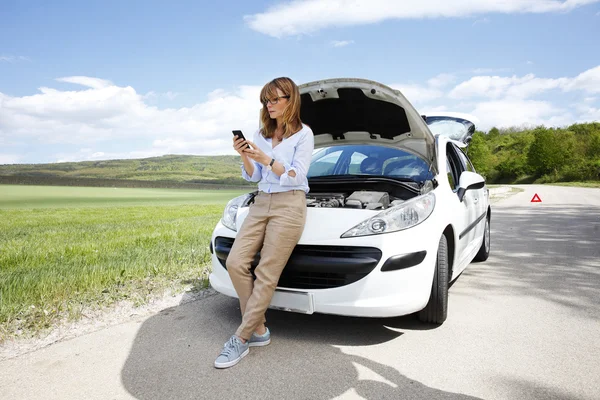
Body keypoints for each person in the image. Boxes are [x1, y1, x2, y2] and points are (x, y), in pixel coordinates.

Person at [214, 77, 314, 369]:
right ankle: (259, 329)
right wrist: (246, 156)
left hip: (290, 203)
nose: (268, 105)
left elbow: (297, 174)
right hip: (262, 201)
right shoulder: (261, 133)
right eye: (265, 101)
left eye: (274, 100)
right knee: (235, 262)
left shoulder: (304, 135)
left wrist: (268, 160)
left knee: (266, 272)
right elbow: (255, 175)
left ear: (290, 100)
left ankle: (241, 337)